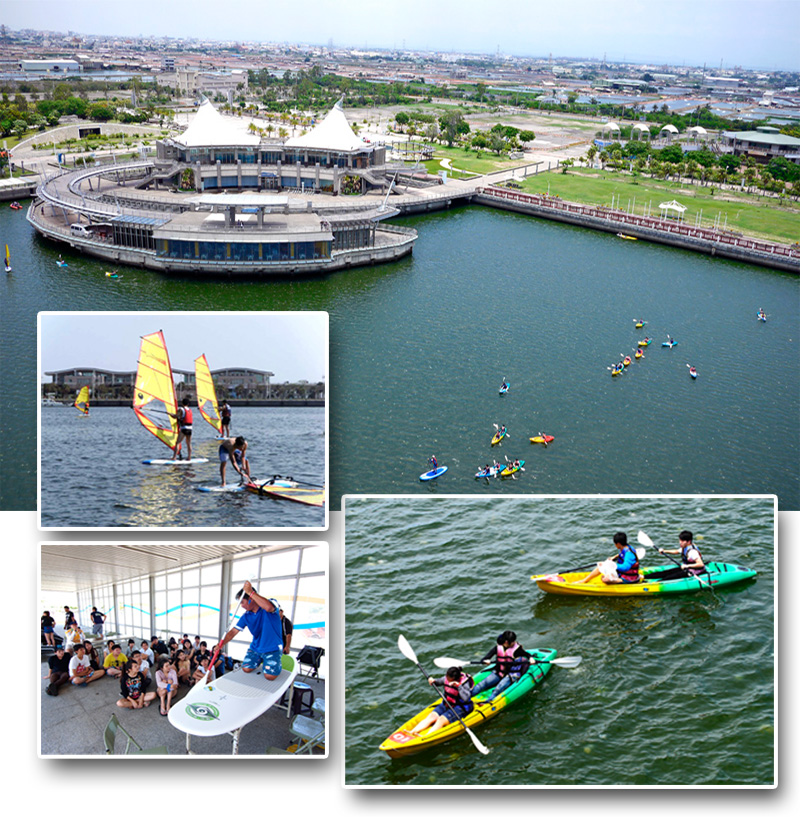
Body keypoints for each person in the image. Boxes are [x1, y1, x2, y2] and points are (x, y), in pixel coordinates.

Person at [213, 580, 282, 681]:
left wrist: (250, 592)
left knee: (269, 676)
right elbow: (232, 632)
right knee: (246, 668)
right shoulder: (246, 616)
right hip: (256, 648)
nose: (241, 606)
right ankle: (263, 660)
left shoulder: (269, 604)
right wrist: (220, 644)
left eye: (242, 602)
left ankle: (275, 662)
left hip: (273, 647)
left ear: (251, 599)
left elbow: (269, 607)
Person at [411, 666, 475, 736]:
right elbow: (438, 682)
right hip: (447, 704)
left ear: (456, 679)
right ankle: (412, 732)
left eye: (449, 680)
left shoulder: (464, 683)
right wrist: (433, 681)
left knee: (441, 720)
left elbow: (466, 698)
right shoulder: (446, 678)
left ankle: (426, 736)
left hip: (461, 707)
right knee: (432, 716)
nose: (447, 680)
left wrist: (459, 686)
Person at [470, 631, 531, 702]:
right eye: (512, 641)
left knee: (498, 689)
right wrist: (486, 661)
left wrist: (531, 658)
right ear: (506, 642)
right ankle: (468, 696)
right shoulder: (498, 647)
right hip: (499, 672)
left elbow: (527, 654)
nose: (514, 643)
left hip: (510, 674)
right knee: (483, 684)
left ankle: (488, 702)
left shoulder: (517, 650)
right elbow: (486, 658)